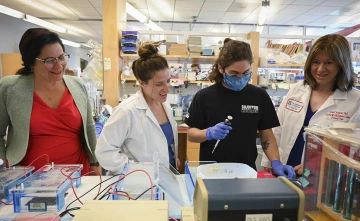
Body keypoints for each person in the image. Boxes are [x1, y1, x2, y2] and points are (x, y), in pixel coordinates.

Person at [184, 38, 295, 178]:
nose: (241, 78)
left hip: (246, 172)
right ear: (220, 68)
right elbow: (191, 134)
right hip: (211, 173)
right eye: (234, 74)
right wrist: (208, 133)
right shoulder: (204, 96)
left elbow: (266, 135)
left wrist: (276, 162)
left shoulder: (259, 96)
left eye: (246, 73)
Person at [0, 28, 99, 174]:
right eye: (49, 61)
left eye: (61, 57)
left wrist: (94, 163)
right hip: (27, 177)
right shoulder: (10, 88)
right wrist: (3, 166)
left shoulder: (78, 85)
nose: (59, 66)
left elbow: (89, 129)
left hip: (77, 175)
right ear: (31, 63)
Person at [261, 34, 360, 175]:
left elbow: (352, 149)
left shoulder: (355, 101)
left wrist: (316, 166)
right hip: (284, 171)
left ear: (341, 65)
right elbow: (278, 129)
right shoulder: (297, 89)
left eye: (329, 62)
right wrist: (271, 161)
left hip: (323, 177)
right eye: (316, 62)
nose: (320, 69)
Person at [95, 42, 179, 174]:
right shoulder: (127, 111)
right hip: (140, 182)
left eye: (168, 81)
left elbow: (163, 142)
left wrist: (171, 157)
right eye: (159, 84)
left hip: (168, 176)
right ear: (141, 82)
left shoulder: (164, 104)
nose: (167, 88)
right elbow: (104, 151)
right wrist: (134, 170)